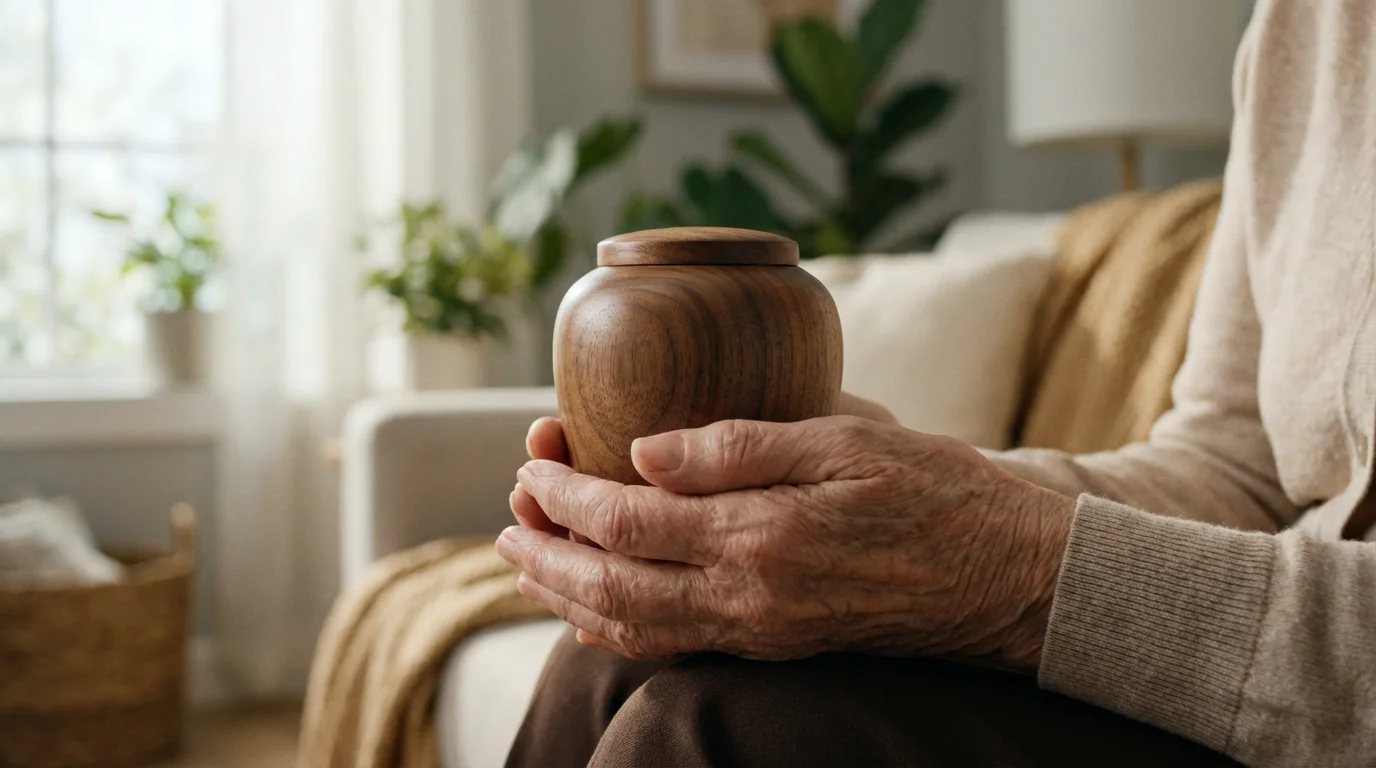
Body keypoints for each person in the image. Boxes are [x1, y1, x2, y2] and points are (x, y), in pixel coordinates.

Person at [496, 1, 1376, 764]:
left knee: (714, 726)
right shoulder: (1303, 23)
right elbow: (1234, 469)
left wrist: (1008, 571)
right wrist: (919, 499)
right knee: (616, 658)